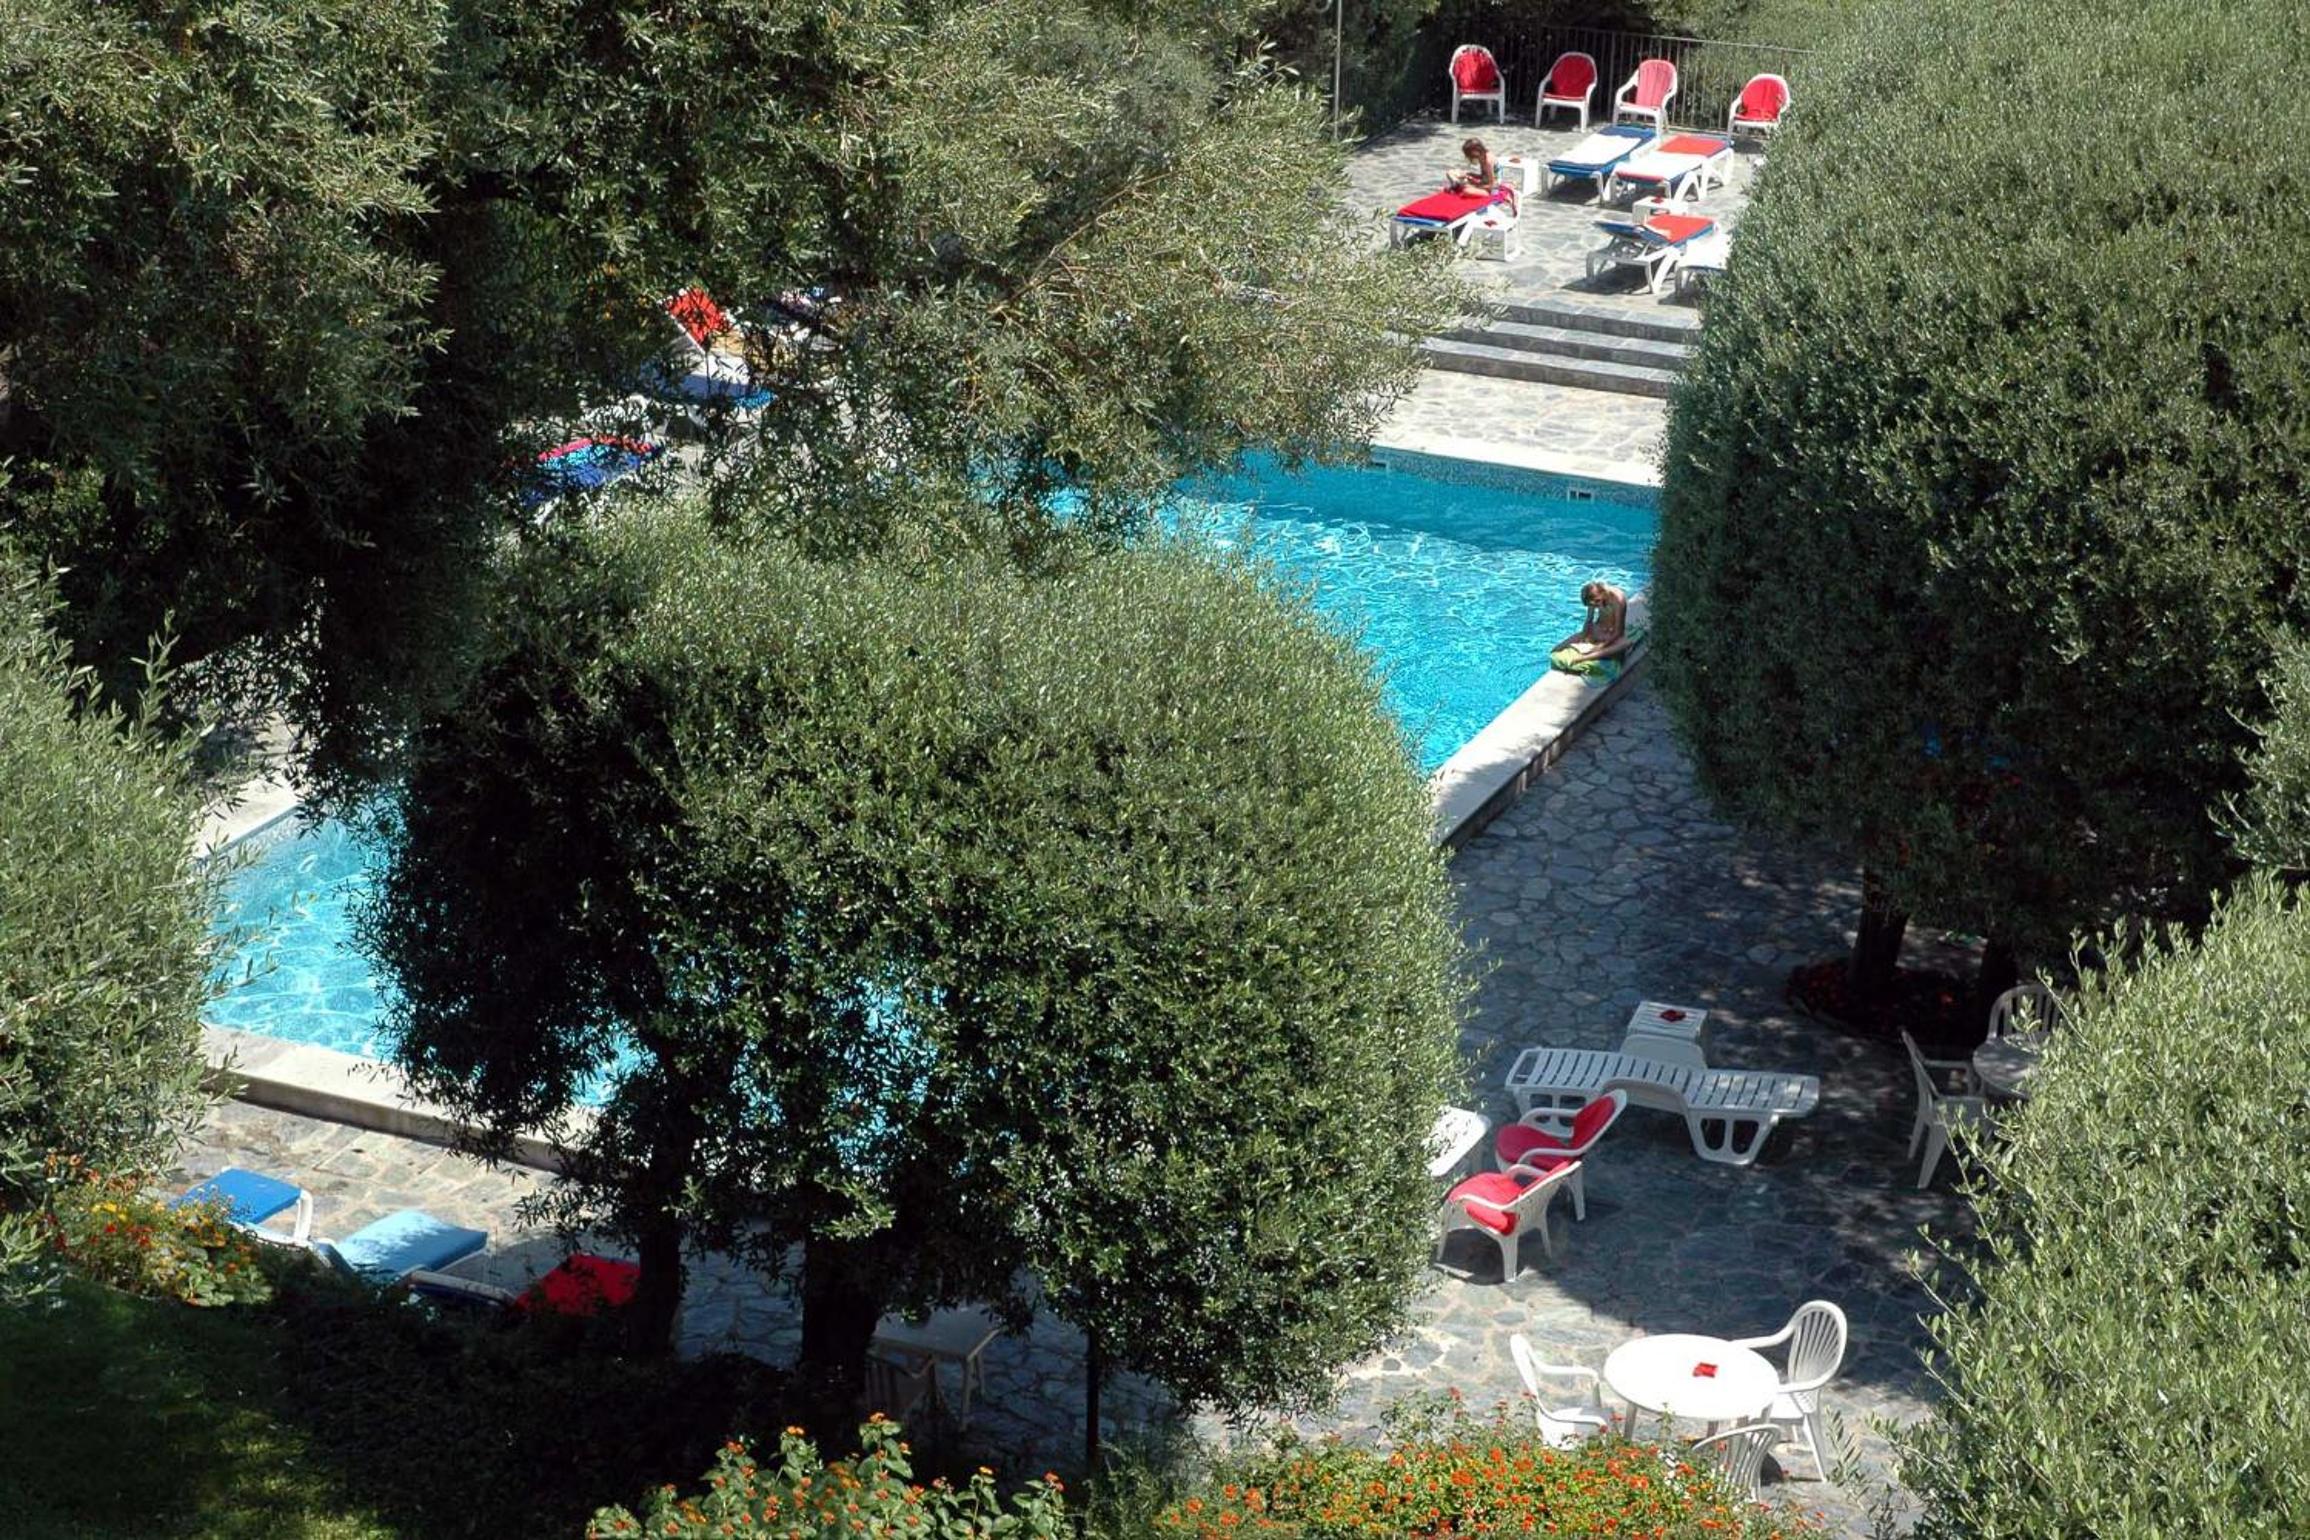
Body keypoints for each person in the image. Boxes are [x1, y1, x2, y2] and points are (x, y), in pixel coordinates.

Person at [1554, 581, 1631, 661]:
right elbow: (1589, 620)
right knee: (1556, 649)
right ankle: (1585, 655)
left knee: (1624, 643)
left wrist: (1600, 646)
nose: (1597, 605)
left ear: (1603, 592)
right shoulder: (1593, 597)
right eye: (1593, 605)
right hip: (1599, 630)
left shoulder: (1617, 598)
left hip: (1612, 633)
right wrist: (1582, 639)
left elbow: (1619, 632)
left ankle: (1584, 658)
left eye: (1597, 602)